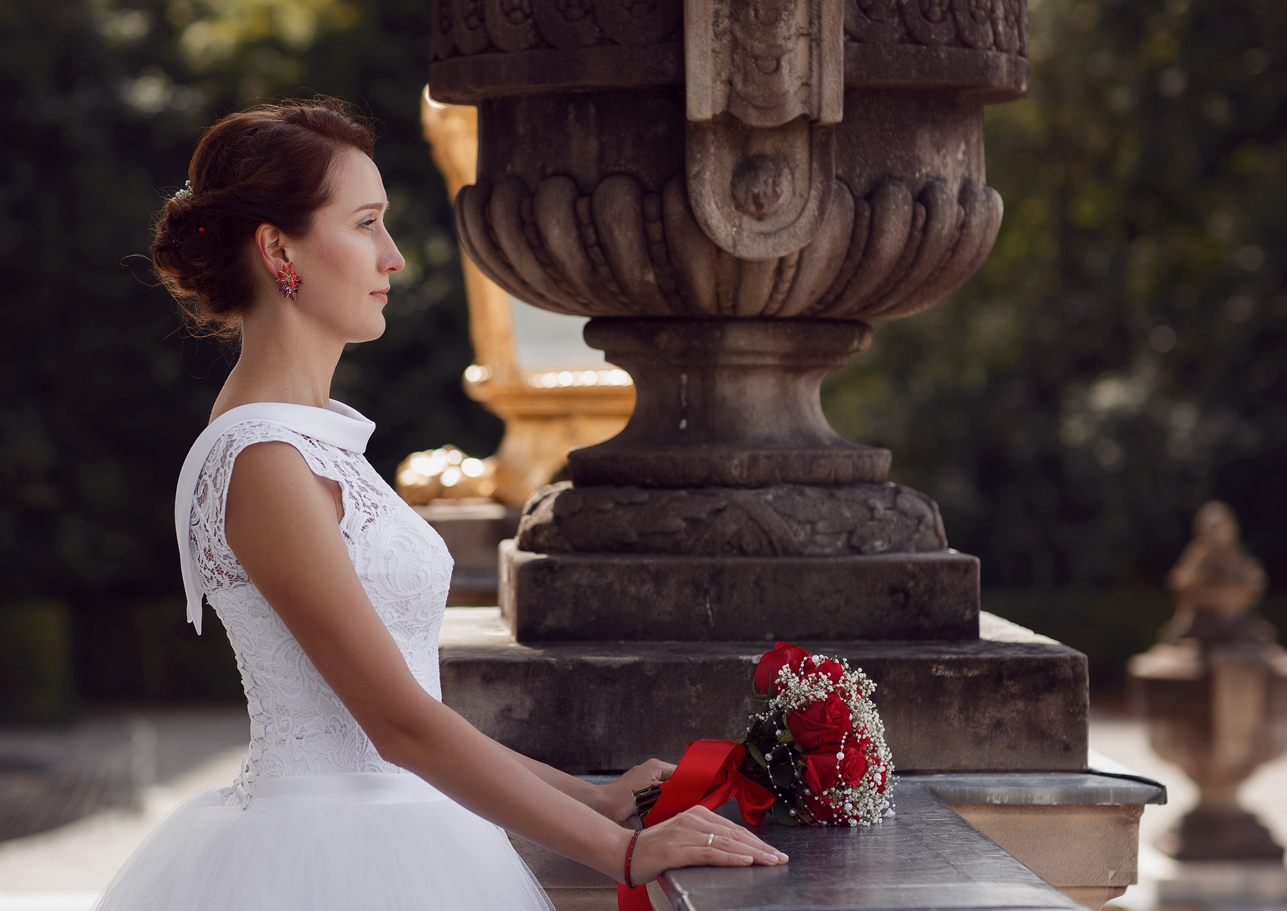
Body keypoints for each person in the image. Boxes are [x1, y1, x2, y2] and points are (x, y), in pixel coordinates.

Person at [93, 98, 788, 911]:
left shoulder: (314, 440)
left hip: (399, 827)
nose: (393, 257)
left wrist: (591, 794)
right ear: (279, 250)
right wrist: (621, 849)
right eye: (365, 224)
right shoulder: (264, 460)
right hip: (329, 864)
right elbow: (396, 726)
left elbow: (410, 707)